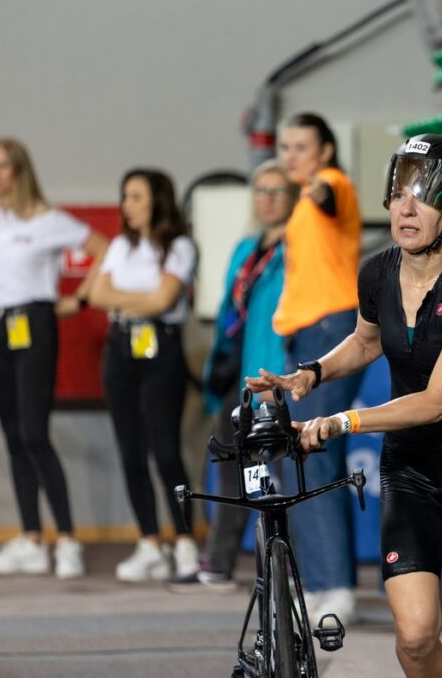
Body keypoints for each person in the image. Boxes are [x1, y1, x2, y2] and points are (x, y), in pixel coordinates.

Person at [250, 135, 442, 678]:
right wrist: (314, 373)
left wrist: (341, 421)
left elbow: (436, 402)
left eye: (422, 194)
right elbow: (367, 341)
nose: (405, 206)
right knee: (417, 637)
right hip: (412, 472)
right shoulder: (377, 272)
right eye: (399, 191)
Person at [0, 137, 108, 579]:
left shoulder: (48, 220)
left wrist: (79, 300)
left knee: (33, 433)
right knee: (12, 435)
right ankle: (30, 537)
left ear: (20, 171)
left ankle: (66, 538)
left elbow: (103, 248)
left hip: (34, 324)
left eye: (3, 166)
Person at [170, 159, 296, 591]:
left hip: (272, 378)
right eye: (261, 190)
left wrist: (281, 379)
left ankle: (282, 570)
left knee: (276, 476)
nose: (268, 199)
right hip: (236, 377)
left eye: (278, 190)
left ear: (293, 198)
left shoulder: (297, 250)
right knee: (234, 472)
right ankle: (220, 561)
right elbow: (231, 312)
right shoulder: (247, 248)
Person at [270, 112, 364, 622]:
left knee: (313, 454)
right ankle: (324, 582)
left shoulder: (330, 184)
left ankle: (337, 587)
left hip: (330, 330)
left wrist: (316, 188)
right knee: (297, 457)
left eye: (301, 146)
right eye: (284, 147)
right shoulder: (301, 201)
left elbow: (328, 195)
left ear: (325, 150)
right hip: (305, 333)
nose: (291, 156)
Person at [89, 168, 198, 582]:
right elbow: (97, 295)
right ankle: (150, 542)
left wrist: (129, 300)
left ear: (157, 200)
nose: (127, 206)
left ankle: (185, 542)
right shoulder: (120, 246)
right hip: (119, 350)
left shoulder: (179, 247)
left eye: (136, 196)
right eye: (125, 197)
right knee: (130, 451)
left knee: (165, 451)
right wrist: (141, 299)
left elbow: (164, 300)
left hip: (160, 348)